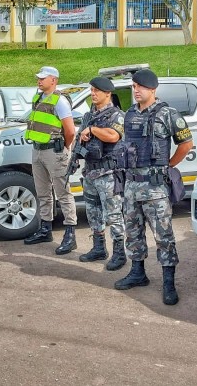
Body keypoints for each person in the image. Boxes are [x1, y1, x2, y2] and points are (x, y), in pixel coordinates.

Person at [115, 69, 193, 306]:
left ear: (152, 89)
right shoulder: (129, 115)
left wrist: (168, 165)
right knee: (133, 232)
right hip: (131, 186)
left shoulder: (168, 114)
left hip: (155, 187)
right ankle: (138, 273)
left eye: (140, 87)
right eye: (133, 87)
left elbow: (186, 144)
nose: (135, 91)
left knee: (164, 236)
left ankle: (168, 282)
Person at [22, 66, 78, 254]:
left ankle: (70, 234)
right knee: (43, 192)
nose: (39, 81)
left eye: (43, 78)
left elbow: (70, 130)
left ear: (53, 80)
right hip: (37, 150)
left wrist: (64, 148)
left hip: (54, 152)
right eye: (38, 78)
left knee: (63, 193)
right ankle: (45, 229)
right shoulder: (38, 98)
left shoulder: (60, 101)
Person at [76, 76, 127, 270]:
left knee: (114, 214)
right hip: (90, 172)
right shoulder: (90, 114)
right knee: (93, 213)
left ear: (108, 93)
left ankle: (119, 253)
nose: (93, 93)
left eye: (96, 91)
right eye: (91, 90)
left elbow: (113, 136)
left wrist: (92, 129)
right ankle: (99, 248)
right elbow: (81, 137)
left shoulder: (116, 115)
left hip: (108, 174)